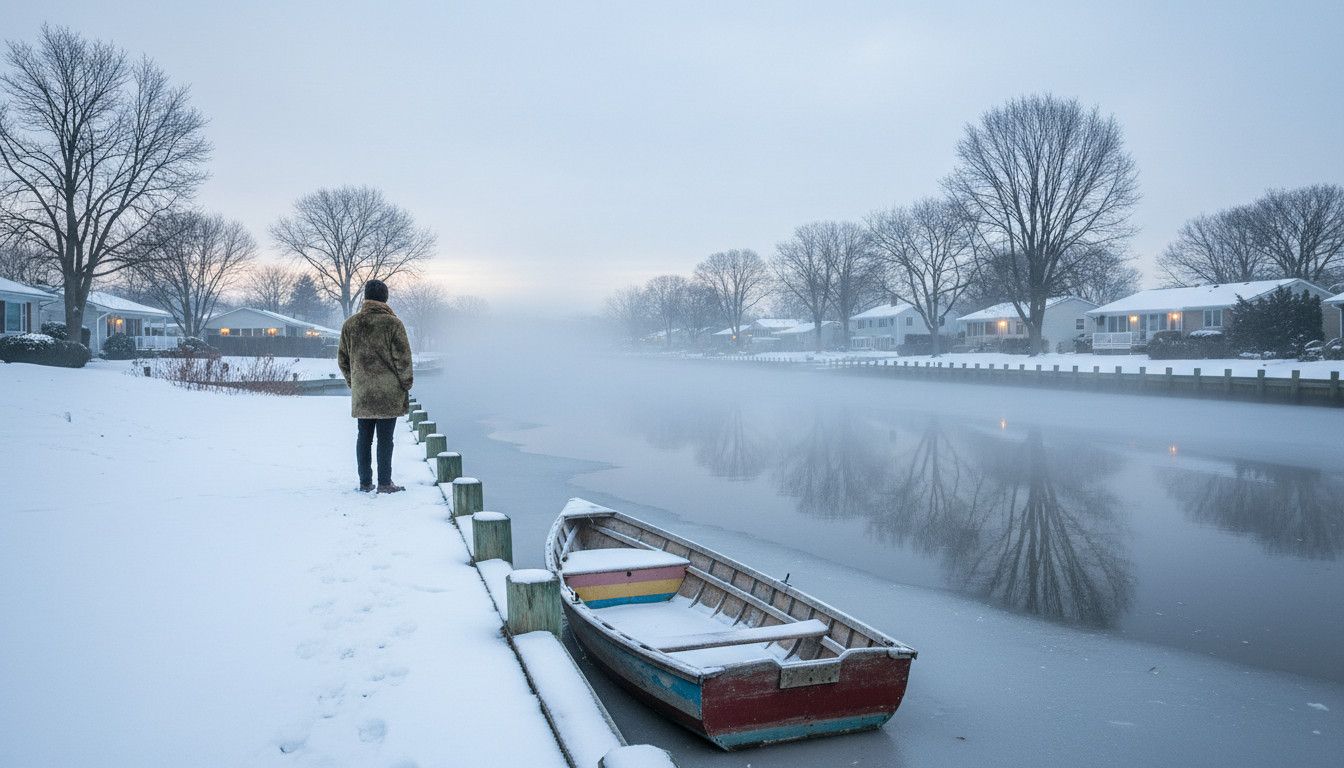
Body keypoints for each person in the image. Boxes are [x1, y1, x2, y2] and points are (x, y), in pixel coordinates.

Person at [338, 279, 413, 493]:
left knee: (364, 437)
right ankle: (385, 483)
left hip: (363, 393)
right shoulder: (393, 324)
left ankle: (364, 482)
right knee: (385, 439)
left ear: (366, 298)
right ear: (385, 298)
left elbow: (343, 359)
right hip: (388, 393)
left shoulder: (351, 324)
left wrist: (355, 382)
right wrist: (405, 383)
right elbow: (403, 359)